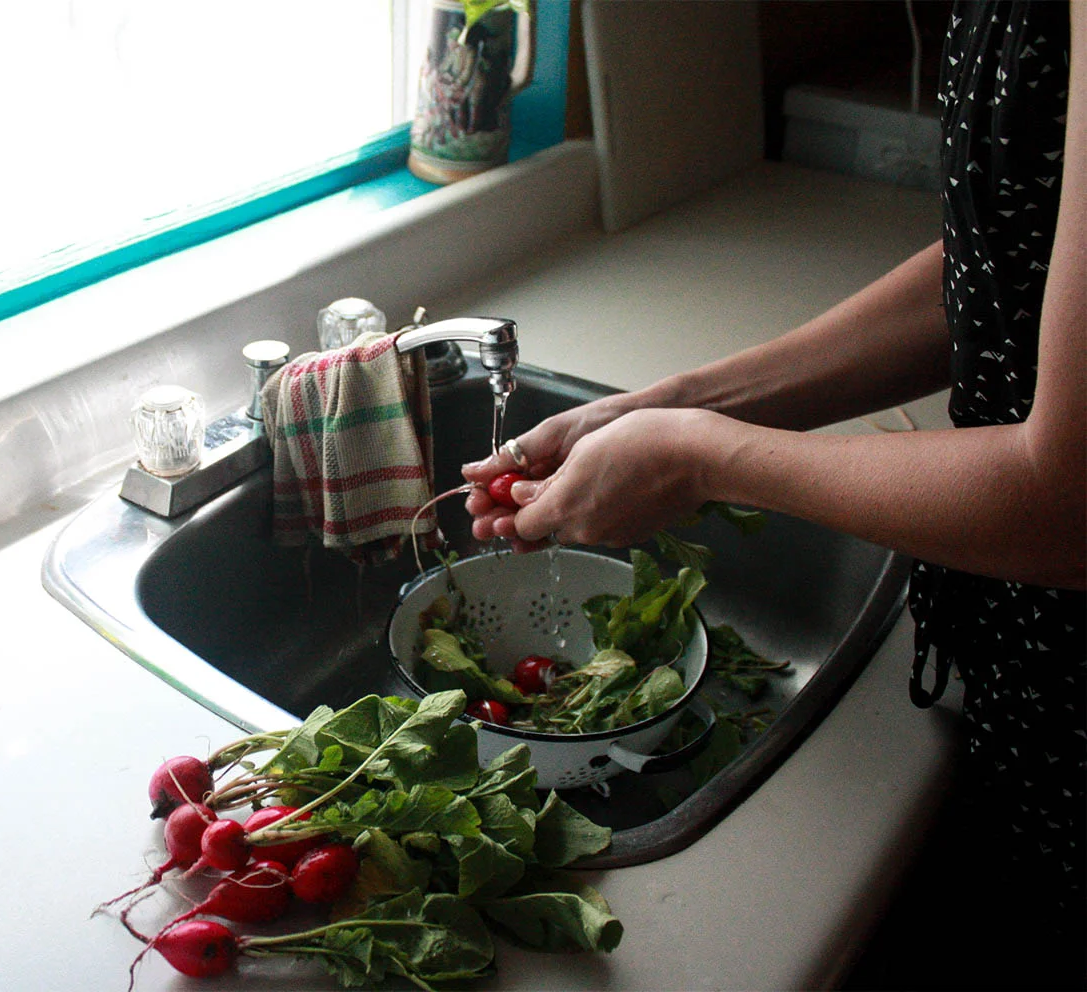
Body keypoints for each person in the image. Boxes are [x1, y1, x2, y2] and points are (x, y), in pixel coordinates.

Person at [463, 1, 1084, 986]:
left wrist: (699, 455)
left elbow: (1067, 497)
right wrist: (667, 406)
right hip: (1026, 675)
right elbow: (1014, 262)